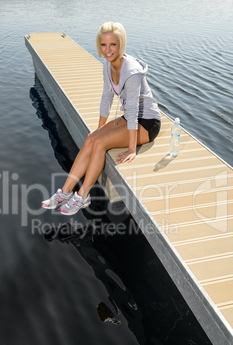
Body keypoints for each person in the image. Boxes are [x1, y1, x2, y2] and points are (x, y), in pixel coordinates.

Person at [42, 21, 161, 216]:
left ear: (120, 44)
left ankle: (82, 196)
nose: (108, 50)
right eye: (104, 45)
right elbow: (107, 97)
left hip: (147, 122)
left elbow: (132, 111)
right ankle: (65, 192)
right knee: (92, 139)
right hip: (130, 117)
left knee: (100, 144)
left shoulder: (131, 71)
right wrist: (99, 128)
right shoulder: (107, 64)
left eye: (113, 44)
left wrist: (132, 149)